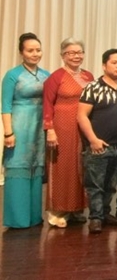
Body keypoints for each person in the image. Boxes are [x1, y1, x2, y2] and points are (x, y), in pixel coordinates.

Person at [77, 49, 117, 234]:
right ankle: (95, 217)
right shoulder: (93, 87)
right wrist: (93, 140)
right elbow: (82, 116)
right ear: (104, 66)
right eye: (114, 63)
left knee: (111, 184)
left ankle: (105, 213)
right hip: (99, 145)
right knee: (95, 184)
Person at [42, 38, 95, 228]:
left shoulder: (88, 76)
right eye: (71, 53)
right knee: (62, 167)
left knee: (80, 166)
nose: (76, 56)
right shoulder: (56, 77)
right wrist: (50, 130)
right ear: (63, 55)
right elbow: (47, 105)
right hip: (62, 127)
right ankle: (57, 211)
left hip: (84, 126)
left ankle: (75, 208)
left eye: (79, 52)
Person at [2, 33, 50, 229]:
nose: (35, 54)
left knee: (36, 167)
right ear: (21, 52)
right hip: (20, 125)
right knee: (19, 166)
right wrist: (8, 133)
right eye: (30, 50)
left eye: (38, 50)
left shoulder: (46, 75)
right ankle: (17, 219)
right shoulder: (12, 75)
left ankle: (34, 217)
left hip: (39, 127)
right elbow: (5, 106)